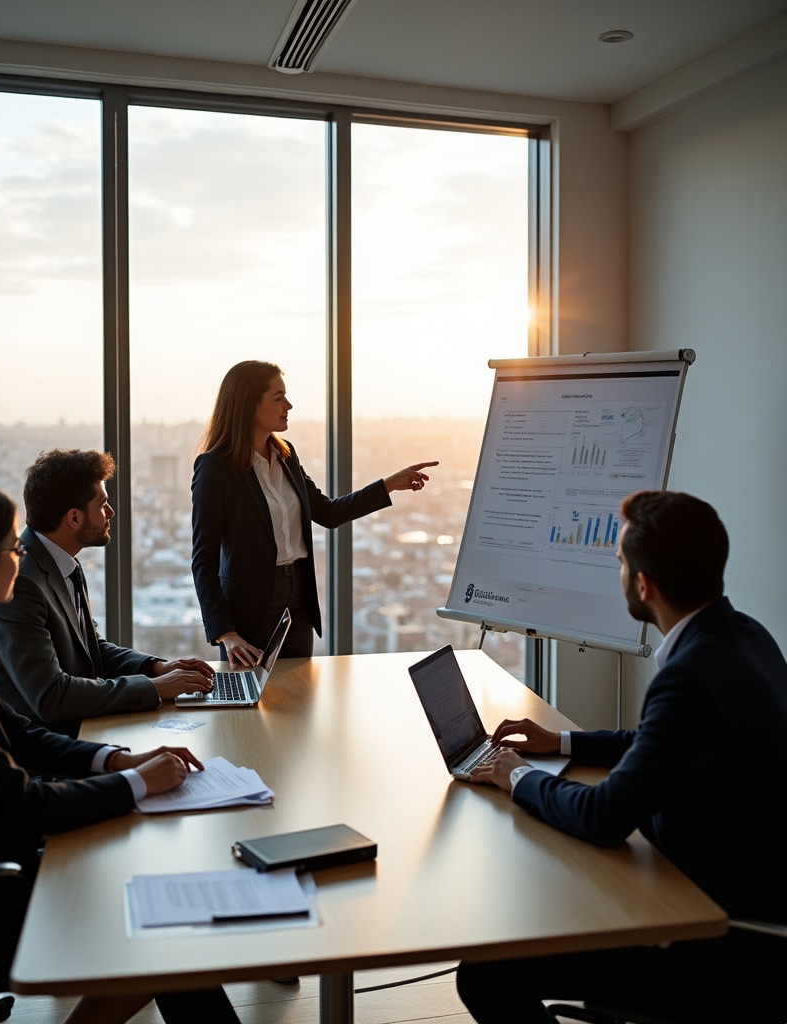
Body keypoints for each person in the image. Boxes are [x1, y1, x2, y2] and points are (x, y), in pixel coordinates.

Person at [0, 481, 240, 1024]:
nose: (22, 554)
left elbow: (17, 732)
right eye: (13, 547)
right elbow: (20, 804)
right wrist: (136, 785)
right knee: (169, 927)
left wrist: (116, 761)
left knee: (167, 920)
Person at [456, 490, 787, 1024]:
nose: (618, 571)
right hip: (739, 900)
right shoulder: (745, 636)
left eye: (619, 562)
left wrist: (517, 777)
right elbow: (663, 741)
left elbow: (603, 817)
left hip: (716, 938)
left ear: (642, 584)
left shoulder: (690, 673)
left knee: (485, 972)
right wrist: (561, 743)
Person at [191, 360, 437, 663]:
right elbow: (203, 560)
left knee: (298, 694)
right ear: (249, 406)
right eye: (278, 398)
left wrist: (388, 485)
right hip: (248, 608)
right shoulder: (216, 468)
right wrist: (225, 633)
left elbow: (327, 513)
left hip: (297, 600)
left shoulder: (286, 455)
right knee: (251, 700)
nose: (289, 405)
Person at [0, 449, 214, 737]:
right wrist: (155, 688)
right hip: (50, 751)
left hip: (85, 727)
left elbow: (92, 650)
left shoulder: (61, 562)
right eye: (102, 504)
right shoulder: (20, 583)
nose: (111, 512)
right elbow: (51, 698)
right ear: (74, 518)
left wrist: (156, 667)